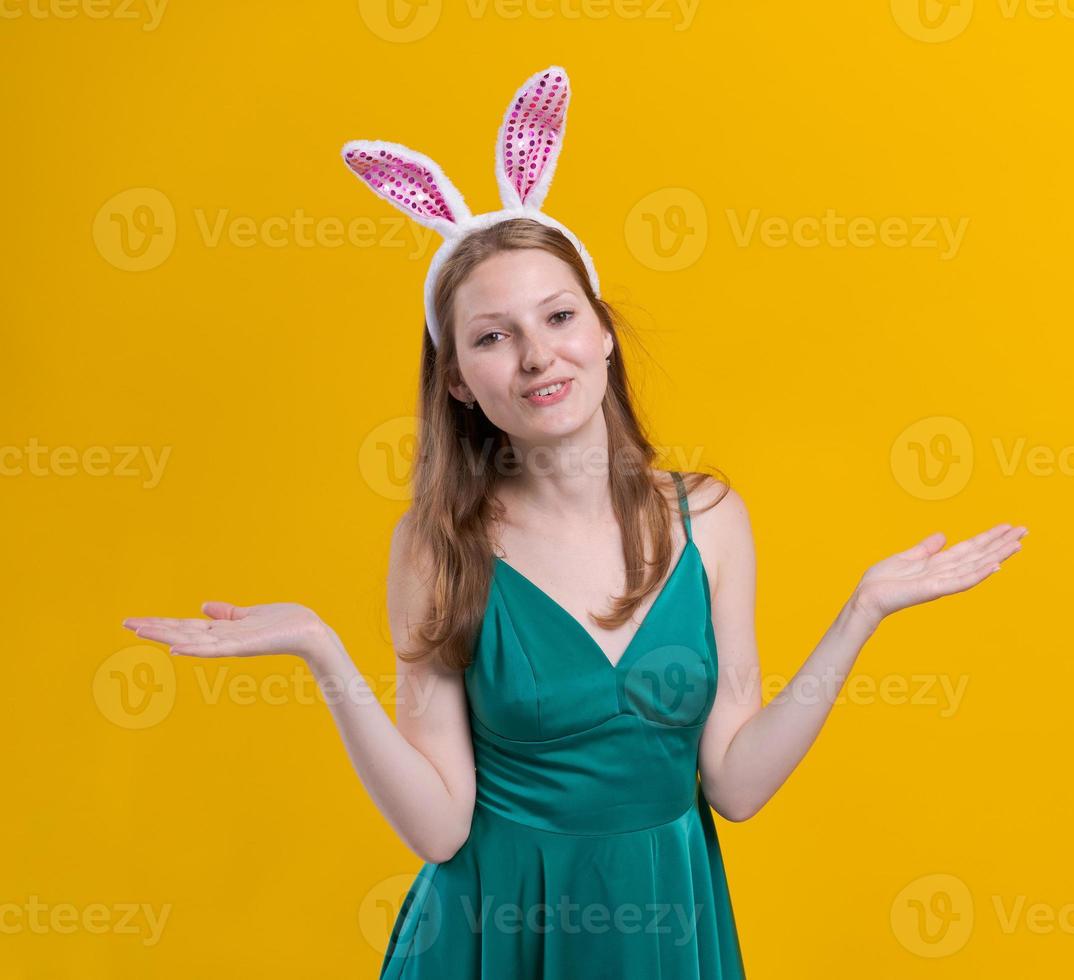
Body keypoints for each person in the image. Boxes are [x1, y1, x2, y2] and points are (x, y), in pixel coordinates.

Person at [121, 67, 1027, 979]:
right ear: (456, 380)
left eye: (558, 316)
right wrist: (324, 653)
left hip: (664, 929)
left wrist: (862, 610)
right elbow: (439, 828)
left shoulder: (709, 519)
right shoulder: (438, 548)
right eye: (491, 335)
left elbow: (737, 786)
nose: (536, 355)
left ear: (603, 333)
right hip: (489, 933)